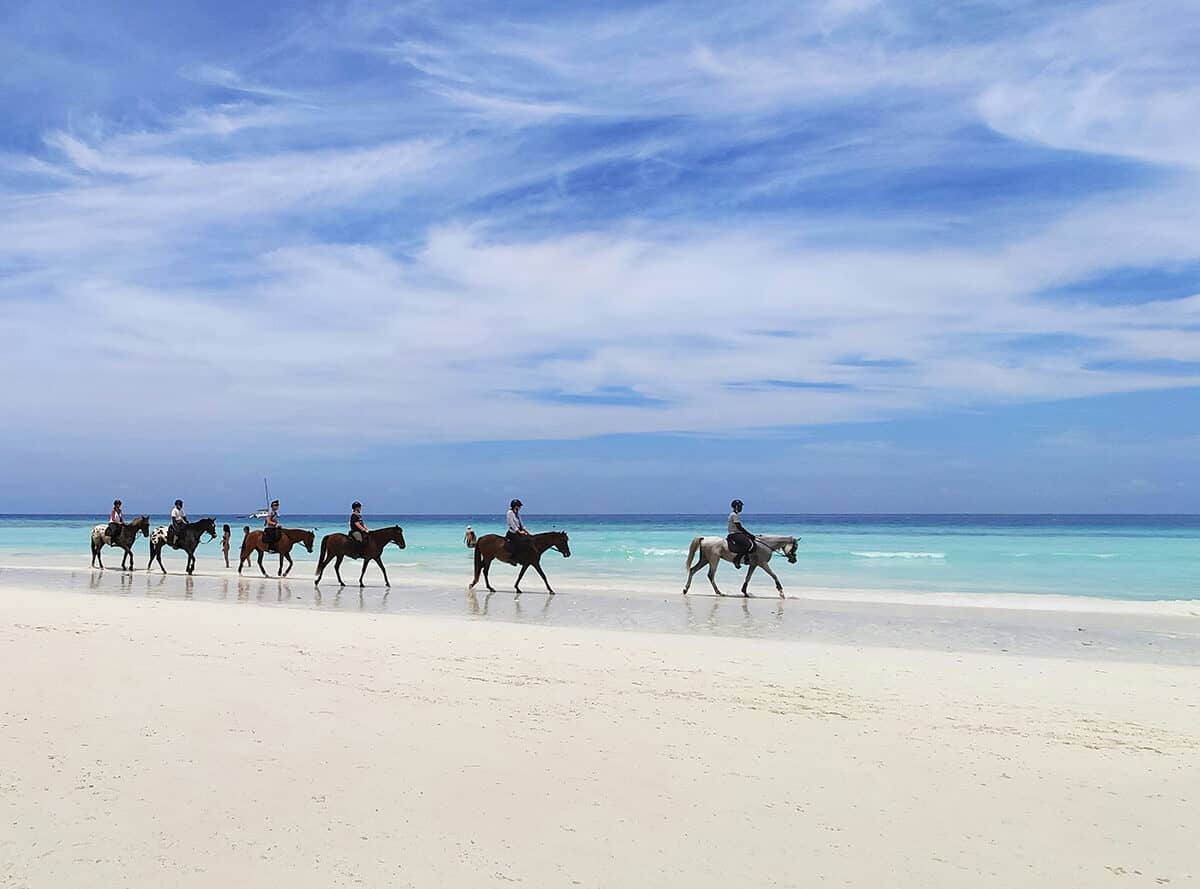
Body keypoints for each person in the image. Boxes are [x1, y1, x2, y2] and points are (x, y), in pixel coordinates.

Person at [727, 499, 755, 569]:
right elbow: (739, 527)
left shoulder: (734, 515)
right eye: (740, 507)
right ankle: (737, 559)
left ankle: (746, 557)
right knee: (748, 544)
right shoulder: (734, 515)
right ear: (736, 507)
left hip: (736, 533)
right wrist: (749, 534)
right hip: (734, 534)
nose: (741, 508)